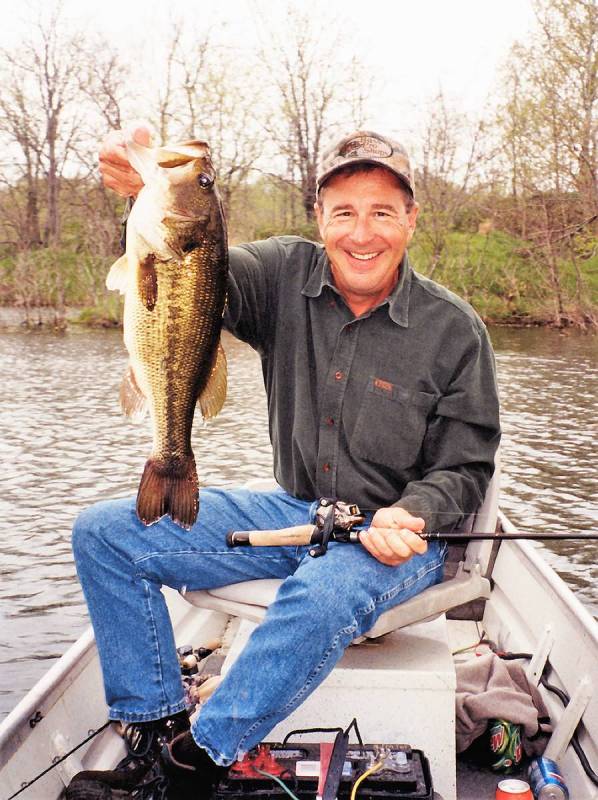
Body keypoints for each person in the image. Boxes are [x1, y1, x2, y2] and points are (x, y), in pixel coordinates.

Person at [67, 128, 501, 799]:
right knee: (105, 533)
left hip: (396, 539)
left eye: (383, 212)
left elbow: (467, 465)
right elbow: (188, 275)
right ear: (319, 218)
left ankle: (193, 765)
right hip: (292, 511)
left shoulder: (454, 328)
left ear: (411, 220)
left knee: (324, 592)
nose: (363, 233)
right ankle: (152, 729)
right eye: (344, 211)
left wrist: (413, 511)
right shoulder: (280, 274)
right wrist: (142, 196)